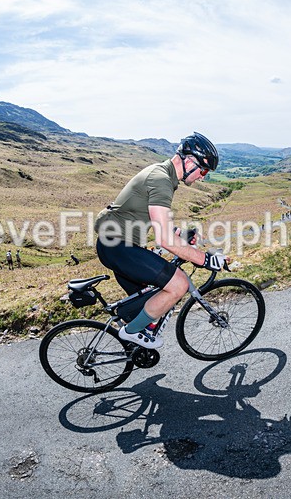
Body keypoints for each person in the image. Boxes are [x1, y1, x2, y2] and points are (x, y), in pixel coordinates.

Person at [94, 132, 227, 349]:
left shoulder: (163, 175)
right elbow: (164, 238)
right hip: (117, 246)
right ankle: (132, 332)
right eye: (203, 170)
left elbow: (154, 220)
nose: (203, 177)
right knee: (179, 284)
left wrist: (180, 234)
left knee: (153, 299)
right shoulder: (161, 179)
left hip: (117, 245)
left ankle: (136, 345)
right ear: (190, 161)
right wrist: (205, 259)